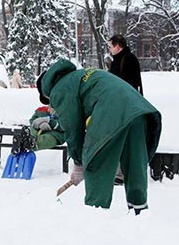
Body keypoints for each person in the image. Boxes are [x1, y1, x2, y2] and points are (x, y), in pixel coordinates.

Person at [37, 59, 161, 214]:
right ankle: (140, 213)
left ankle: (95, 217)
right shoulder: (81, 76)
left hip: (112, 111)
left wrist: (79, 163)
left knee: (96, 161)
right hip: (138, 111)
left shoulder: (60, 89)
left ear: (46, 91)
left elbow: (72, 128)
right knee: (135, 163)